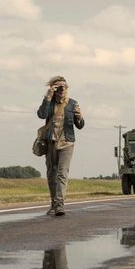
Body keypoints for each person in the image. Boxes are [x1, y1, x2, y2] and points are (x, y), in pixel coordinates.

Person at [37, 76, 84, 216]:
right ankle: (53, 203)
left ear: (67, 88)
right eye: (58, 87)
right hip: (51, 142)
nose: (61, 89)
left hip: (67, 143)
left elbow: (80, 126)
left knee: (62, 174)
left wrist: (80, 116)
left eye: (64, 86)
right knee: (51, 174)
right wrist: (48, 96)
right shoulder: (49, 102)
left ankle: (59, 205)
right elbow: (41, 115)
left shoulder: (72, 103)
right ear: (53, 88)